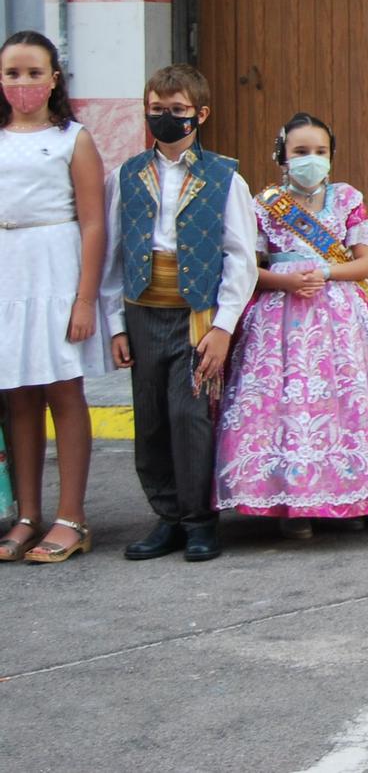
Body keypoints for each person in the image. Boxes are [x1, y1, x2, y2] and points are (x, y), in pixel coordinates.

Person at [216, 113, 368, 534]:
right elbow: (248, 268)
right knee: (287, 407)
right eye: (301, 152)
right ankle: (289, 501)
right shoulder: (264, 205)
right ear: (282, 156)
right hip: (279, 321)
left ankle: (349, 496)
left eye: (320, 152)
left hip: (339, 319)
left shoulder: (346, 199)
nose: (311, 160)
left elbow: (365, 261)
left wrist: (326, 274)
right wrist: (285, 281)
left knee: (340, 407)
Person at [103, 64, 259, 563]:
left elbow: (241, 255)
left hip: (196, 315)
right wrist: (115, 325)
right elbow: (114, 255)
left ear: (200, 114)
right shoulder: (124, 177)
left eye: (177, 111)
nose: (165, 118)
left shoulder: (224, 176)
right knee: (149, 420)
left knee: (189, 415)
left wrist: (222, 326)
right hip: (143, 312)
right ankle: (166, 517)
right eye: (157, 110)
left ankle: (199, 521)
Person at [0, 31, 112, 564]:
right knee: (16, 396)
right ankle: (27, 515)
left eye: (33, 73)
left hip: (56, 270)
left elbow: (93, 224)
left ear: (54, 78)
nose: (23, 84)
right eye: (12, 74)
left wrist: (84, 299)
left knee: (62, 392)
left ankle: (72, 516)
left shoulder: (73, 138)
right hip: (7, 273)